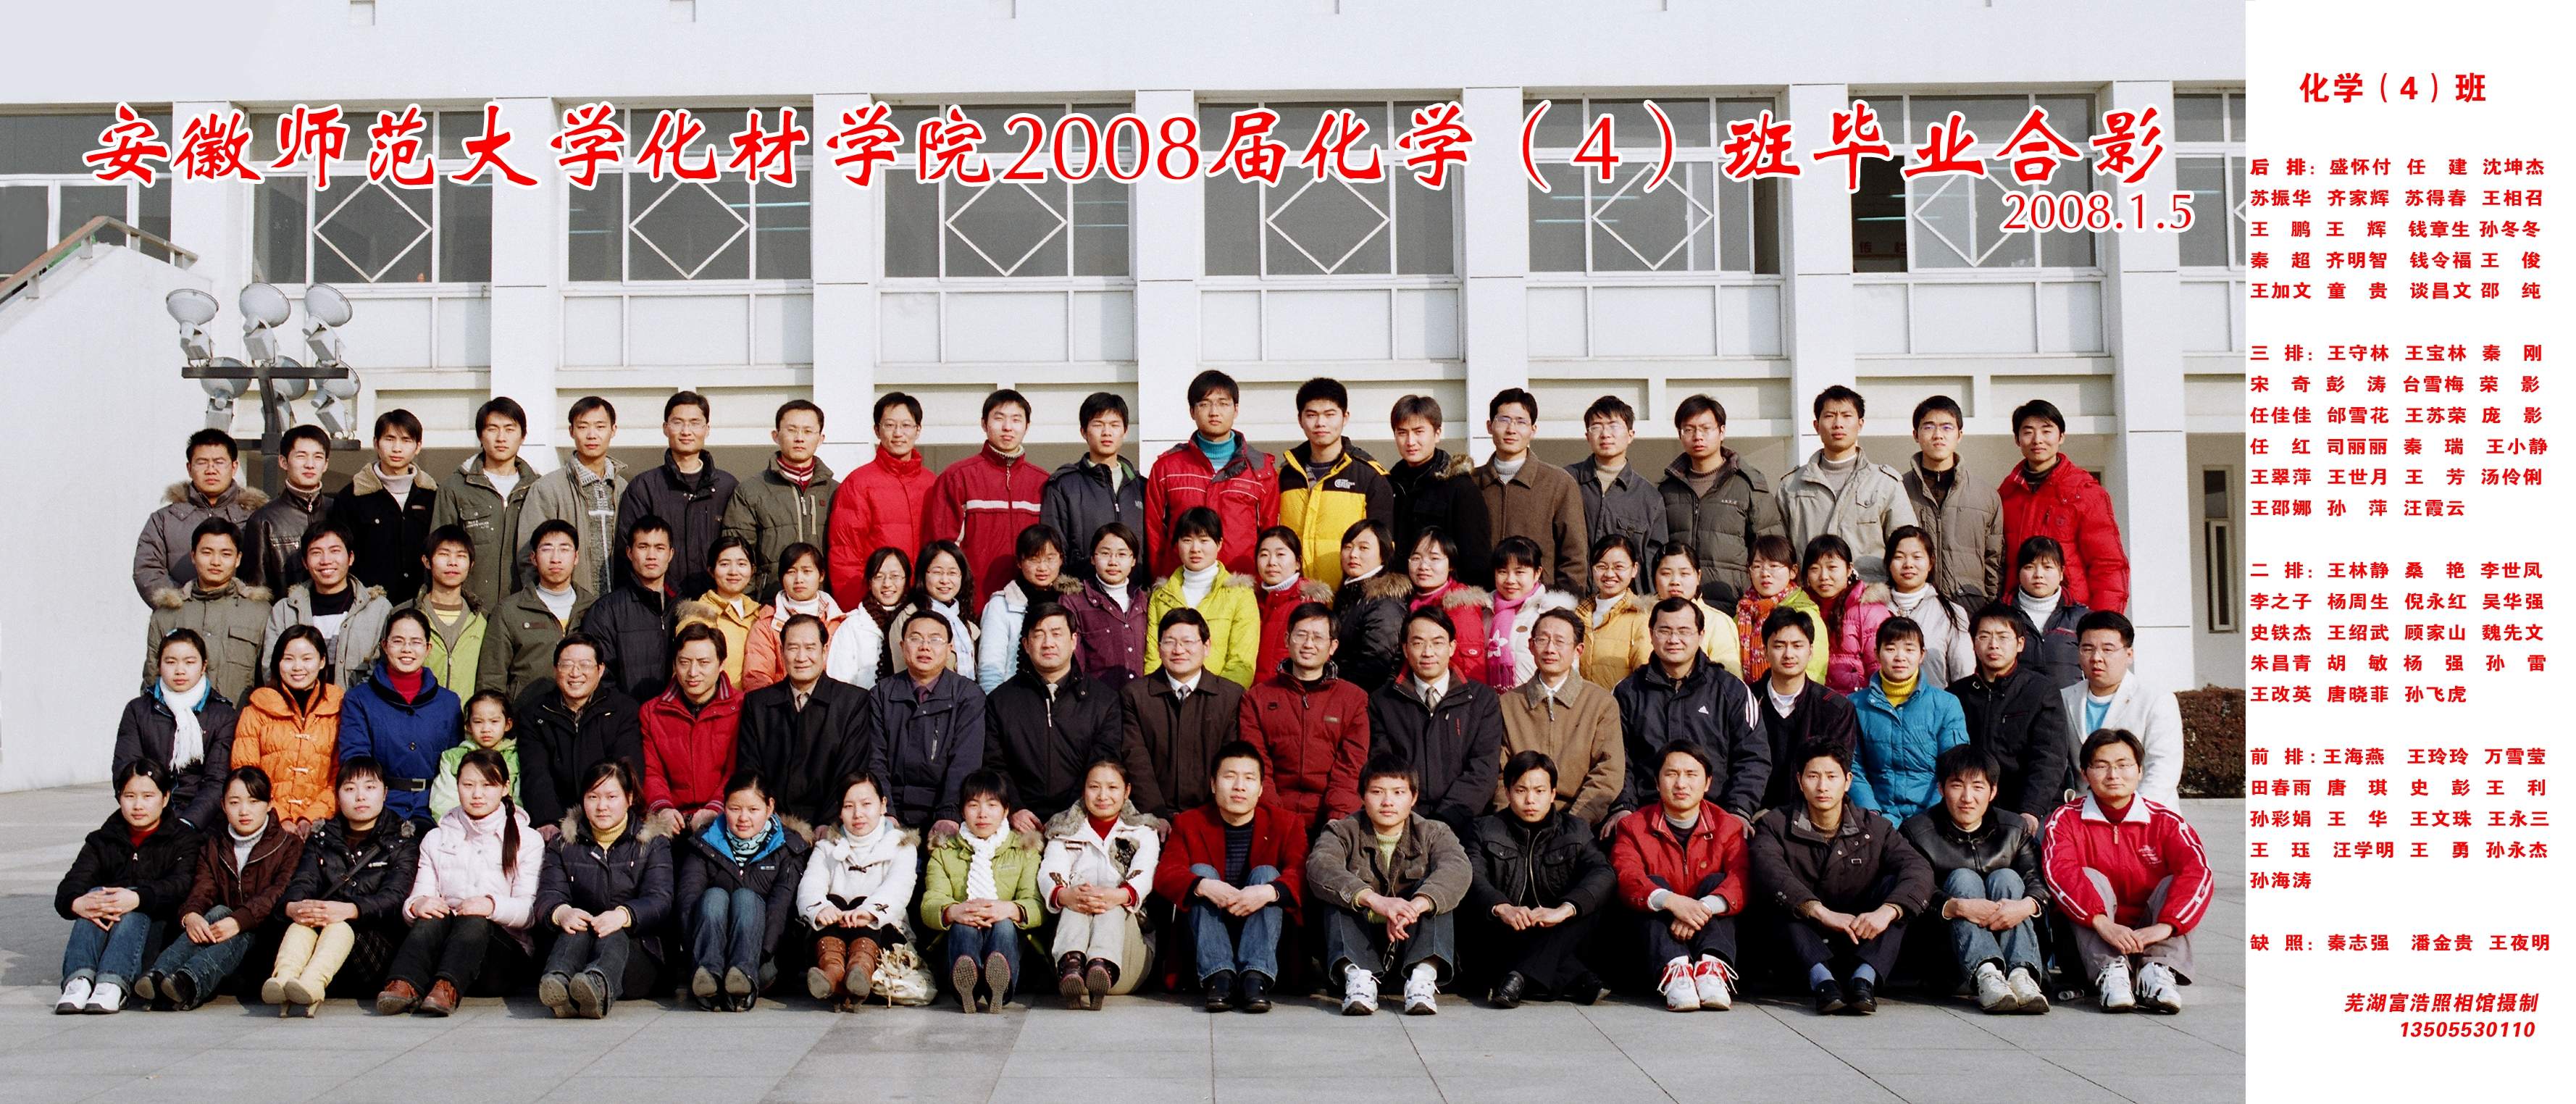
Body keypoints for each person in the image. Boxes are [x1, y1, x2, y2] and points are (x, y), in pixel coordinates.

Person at [1749, 741, 1933, 1016]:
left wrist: (1886, 912)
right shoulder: (1775, 824)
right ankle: (1823, 982)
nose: (1822, 786)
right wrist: (1820, 912)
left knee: (1899, 897)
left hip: (1860, 940)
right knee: (1781, 897)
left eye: (1831, 776)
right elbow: (1769, 870)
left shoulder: (1876, 828)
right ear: (1800, 781)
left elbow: (1919, 869)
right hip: (1801, 948)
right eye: (1813, 776)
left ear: (1847, 781)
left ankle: (1864, 980)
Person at [2044, 728, 2213, 1013]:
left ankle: (2157, 973)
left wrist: (2164, 927)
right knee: (2088, 876)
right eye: (2101, 766)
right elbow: (2060, 875)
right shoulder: (2065, 820)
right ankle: (2111, 974)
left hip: (2152, 938)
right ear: (2085, 773)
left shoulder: (2166, 822)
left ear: (2139, 771)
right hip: (2090, 946)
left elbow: (2199, 874)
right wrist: (2102, 924)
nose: (2113, 775)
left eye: (2123, 765)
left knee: (2177, 882)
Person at [375, 748, 543, 1016]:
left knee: (475, 918)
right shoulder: (436, 838)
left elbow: (531, 912)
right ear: (457, 786)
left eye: (488, 785)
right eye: (468, 785)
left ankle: (447, 987)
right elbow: (418, 896)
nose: (477, 794)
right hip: (443, 948)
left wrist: (491, 906)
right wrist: (418, 905)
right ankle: (404, 984)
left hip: (499, 959)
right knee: (432, 915)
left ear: (505, 788)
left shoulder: (528, 840)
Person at [1308, 756, 1469, 1016]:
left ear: (1414, 797)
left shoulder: (1434, 832)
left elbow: (1458, 869)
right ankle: (1358, 980)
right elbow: (1320, 867)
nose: (1387, 801)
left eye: (1398, 792)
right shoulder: (1341, 831)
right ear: (1362, 795)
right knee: (1341, 894)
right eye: (1377, 792)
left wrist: (1415, 907)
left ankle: (1422, 979)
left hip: (1412, 945)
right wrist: (1375, 901)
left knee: (1436, 894)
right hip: (1359, 948)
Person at [262, 757, 422, 1016]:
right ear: (337, 796)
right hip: (323, 938)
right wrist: (294, 907)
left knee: (339, 926)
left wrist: (349, 910)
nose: (360, 796)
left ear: (385, 793)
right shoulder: (322, 837)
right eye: (350, 789)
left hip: (373, 946)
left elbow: (394, 898)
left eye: (370, 787)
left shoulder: (403, 841)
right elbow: (304, 881)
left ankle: (311, 985)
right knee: (301, 923)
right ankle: (284, 981)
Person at [1155, 742, 1306, 1012]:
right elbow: (1166, 874)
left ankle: (1255, 977)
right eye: (1230, 777)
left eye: (1249, 778)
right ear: (1214, 784)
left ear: (1261, 788)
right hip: (1207, 933)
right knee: (1200, 873)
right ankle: (1219, 976)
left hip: (1264, 933)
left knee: (1267, 875)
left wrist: (1268, 892)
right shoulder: (1189, 823)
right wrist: (1203, 886)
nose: (1239, 786)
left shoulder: (1287, 823)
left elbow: (1301, 873)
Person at [1900, 745, 2052, 1014]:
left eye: (1978, 787)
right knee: (1963, 878)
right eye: (1957, 786)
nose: (1967, 798)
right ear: (1941, 789)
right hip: (1948, 954)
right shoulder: (1918, 832)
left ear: (1993, 791)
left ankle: (2020, 975)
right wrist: (1955, 907)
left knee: (2007, 876)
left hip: (2010, 932)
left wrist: (2023, 907)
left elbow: (2037, 882)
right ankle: (1986, 974)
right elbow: (1913, 888)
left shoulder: (2014, 829)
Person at [138, 766, 303, 1011]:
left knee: (242, 930)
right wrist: (191, 915)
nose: (244, 811)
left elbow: (277, 893)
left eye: (254, 802)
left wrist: (238, 922)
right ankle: (159, 975)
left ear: (269, 804)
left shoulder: (289, 845)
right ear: (223, 806)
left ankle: (187, 982)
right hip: (221, 938)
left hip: (265, 942)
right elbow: (202, 888)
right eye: (234, 802)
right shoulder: (214, 844)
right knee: (217, 912)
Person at [1468, 750, 1617, 1007]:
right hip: (1507, 928)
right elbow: (1473, 875)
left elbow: (1603, 873)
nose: (1530, 800)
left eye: (1539, 791)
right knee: (1483, 918)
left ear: (1553, 794)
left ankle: (1518, 976)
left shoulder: (1575, 829)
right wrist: (1502, 907)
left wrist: (1564, 910)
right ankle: (1577, 979)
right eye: (1521, 790)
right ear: (1508, 792)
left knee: (1590, 905)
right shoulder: (1484, 829)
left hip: (1558, 926)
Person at [1609, 742, 1750, 1012]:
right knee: (1654, 886)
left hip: (1709, 929)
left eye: (1691, 774)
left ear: (1707, 783)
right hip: (1655, 938)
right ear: (1657, 782)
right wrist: (1672, 901)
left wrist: (1700, 909)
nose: (1681, 783)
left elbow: (1741, 878)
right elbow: (1627, 876)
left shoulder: (1728, 826)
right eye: (1671, 774)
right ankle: (1676, 972)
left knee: (1717, 883)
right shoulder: (1633, 827)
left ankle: (1712, 969)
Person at [54, 762, 202, 1014]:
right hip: (105, 934)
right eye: (130, 796)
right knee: (93, 896)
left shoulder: (183, 839)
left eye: (148, 796)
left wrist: (137, 898)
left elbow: (181, 885)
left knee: (134, 904)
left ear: (165, 798)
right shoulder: (102, 840)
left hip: (154, 937)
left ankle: (113, 983)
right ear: (119, 798)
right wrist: (77, 903)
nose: (138, 805)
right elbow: (71, 884)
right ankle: (78, 981)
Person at [1608, 598, 1767, 832]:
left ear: (1701, 635)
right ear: (1651, 634)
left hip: (1717, 817)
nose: (1674, 640)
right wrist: (1624, 807)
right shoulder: (1627, 692)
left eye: (1684, 631)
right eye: (1665, 631)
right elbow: (1614, 758)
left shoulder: (1731, 690)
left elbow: (1753, 757)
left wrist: (1738, 811)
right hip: (1645, 818)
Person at [533, 760, 674, 1019]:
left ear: (629, 798)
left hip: (636, 953)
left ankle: (596, 986)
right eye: (593, 797)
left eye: (611, 797)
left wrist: (623, 915)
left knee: (613, 930)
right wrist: (562, 912)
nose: (602, 806)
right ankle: (558, 983)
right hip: (580, 948)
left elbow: (660, 899)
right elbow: (548, 894)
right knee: (575, 928)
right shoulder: (563, 843)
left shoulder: (653, 842)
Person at [675, 769, 811, 1011]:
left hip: (763, 958)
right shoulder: (704, 843)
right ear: (724, 807)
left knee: (746, 898)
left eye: (753, 810)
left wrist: (759, 957)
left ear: (770, 807)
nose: (743, 818)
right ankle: (709, 977)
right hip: (709, 953)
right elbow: (688, 902)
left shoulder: (788, 848)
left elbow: (780, 911)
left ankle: (742, 977)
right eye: (735, 809)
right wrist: (694, 955)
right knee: (714, 896)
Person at [1366, 609, 1505, 840]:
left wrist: (1446, 820)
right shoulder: (1383, 701)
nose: (1428, 652)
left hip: (1466, 823)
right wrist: (1413, 823)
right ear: (1405, 649)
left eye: (1437, 643)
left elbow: (1483, 770)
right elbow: (1384, 769)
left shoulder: (1482, 700)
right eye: (1418, 643)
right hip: (1403, 824)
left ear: (1452, 647)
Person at [1239, 601, 1371, 838]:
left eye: (1318, 637)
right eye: (1301, 635)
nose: (1309, 644)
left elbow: (1350, 768)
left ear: (1333, 646)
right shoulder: (1257, 698)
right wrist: (1275, 817)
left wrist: (1337, 822)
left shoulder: (1353, 699)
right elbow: (1256, 764)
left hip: (1332, 819)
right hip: (1272, 817)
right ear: (1287, 639)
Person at [1038, 760, 1161, 1010]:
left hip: (1125, 960)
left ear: (1127, 791)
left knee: (1111, 903)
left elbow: (1145, 872)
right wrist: (1067, 896)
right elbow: (1050, 869)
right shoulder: (1063, 831)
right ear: (1084, 789)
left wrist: (1116, 896)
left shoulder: (1143, 831)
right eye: (1094, 787)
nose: (1103, 796)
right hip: (1070, 948)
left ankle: (1101, 966)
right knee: (1077, 899)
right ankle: (1072, 965)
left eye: (1112, 788)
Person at [984, 605, 1124, 825]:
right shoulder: (1000, 701)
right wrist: (1015, 808)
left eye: (1057, 634)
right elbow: (994, 764)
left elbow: (1103, 764)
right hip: (1020, 822)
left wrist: (1074, 812)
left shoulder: (1104, 701)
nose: (1048, 643)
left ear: (1074, 640)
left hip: (1083, 819)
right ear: (1026, 645)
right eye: (1039, 635)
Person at [919, 769, 1042, 1013]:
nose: (982, 814)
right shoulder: (945, 851)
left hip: (1008, 938)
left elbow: (1037, 902)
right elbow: (930, 902)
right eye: (973, 805)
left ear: (1006, 810)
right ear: (962, 811)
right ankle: (968, 985)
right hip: (960, 937)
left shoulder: (1024, 849)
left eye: (992, 805)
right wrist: (954, 912)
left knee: (1004, 924)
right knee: (963, 925)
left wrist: (1009, 909)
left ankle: (1000, 985)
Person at [735, 614, 871, 826]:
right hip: (769, 822)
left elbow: (850, 771)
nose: (801, 657)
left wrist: (828, 824)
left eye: (810, 648)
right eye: (793, 648)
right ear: (781, 652)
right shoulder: (758, 704)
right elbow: (750, 770)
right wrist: (768, 821)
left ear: (824, 651)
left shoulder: (852, 702)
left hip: (831, 824)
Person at [797, 771, 916, 1010]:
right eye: (849, 806)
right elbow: (810, 884)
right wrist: (822, 909)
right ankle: (833, 972)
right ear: (840, 811)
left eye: (866, 804)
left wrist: (867, 912)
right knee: (833, 901)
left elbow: (898, 888)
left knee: (861, 901)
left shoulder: (901, 845)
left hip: (884, 934)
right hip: (833, 931)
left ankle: (859, 972)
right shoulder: (826, 846)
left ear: (883, 805)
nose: (858, 814)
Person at [921, 389, 1044, 618]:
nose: (1007, 427)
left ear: (1027, 426)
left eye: (1016, 420)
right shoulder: (958, 477)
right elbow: (942, 549)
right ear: (984, 424)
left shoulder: (1042, 483)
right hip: (972, 607)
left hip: (1032, 607)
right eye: (999, 418)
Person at [1145, 369, 1280, 578]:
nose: (1214, 412)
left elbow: (1271, 536)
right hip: (1181, 585)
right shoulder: (1166, 469)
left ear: (1236, 410)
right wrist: (1159, 583)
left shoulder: (1261, 471)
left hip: (1239, 586)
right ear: (1192, 411)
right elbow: (1153, 534)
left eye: (1223, 404)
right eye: (1204, 404)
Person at [1999, 398, 2129, 614]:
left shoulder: (2085, 492)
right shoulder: (2007, 494)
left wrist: (2103, 623)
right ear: (2017, 440)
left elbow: (2108, 565)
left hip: (2072, 615)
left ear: (2061, 436)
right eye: (2028, 432)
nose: (2037, 440)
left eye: (2046, 431)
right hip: (2018, 615)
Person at [1779, 386, 1918, 586]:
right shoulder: (1792, 486)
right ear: (1816, 425)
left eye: (1847, 416)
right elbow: (1779, 553)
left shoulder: (1885, 483)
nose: (1838, 424)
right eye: (1830, 416)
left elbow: (1908, 548)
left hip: (1869, 595)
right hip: (1811, 597)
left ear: (1860, 424)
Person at [1495, 609, 1623, 828]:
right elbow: (1498, 774)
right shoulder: (1508, 704)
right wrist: (1511, 820)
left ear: (1578, 650)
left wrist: (1574, 824)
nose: (1550, 649)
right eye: (1542, 640)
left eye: (1560, 641)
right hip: (1517, 820)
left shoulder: (1600, 703)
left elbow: (1608, 772)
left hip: (1580, 822)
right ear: (1531, 645)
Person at [1951, 603, 2073, 829]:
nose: (1993, 645)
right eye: (1984, 636)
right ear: (1974, 643)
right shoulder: (1957, 694)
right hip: (1971, 807)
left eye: (2003, 637)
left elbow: (2049, 758)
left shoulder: (2040, 690)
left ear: (2020, 644)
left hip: (2028, 808)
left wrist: (2031, 810)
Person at [866, 611, 989, 832]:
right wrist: (886, 812)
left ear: (950, 647)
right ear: (902, 646)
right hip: (891, 809)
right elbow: (876, 760)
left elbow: (965, 763)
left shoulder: (968, 695)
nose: (925, 647)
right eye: (916, 639)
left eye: (935, 639)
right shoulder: (881, 694)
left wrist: (948, 814)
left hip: (946, 811)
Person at [1657, 394, 1785, 606]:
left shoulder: (1748, 485)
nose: (1698, 436)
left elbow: (1773, 551)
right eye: (1689, 430)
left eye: (1706, 429)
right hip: (1678, 605)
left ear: (1722, 431)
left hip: (1735, 606)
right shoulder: (1667, 489)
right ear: (1680, 435)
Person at [338, 611, 464, 827]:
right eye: (398, 641)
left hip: (435, 808)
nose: (407, 649)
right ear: (385, 646)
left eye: (416, 642)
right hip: (380, 810)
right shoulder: (359, 699)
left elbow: (455, 763)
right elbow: (355, 759)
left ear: (428, 648)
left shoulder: (448, 703)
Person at [1121, 609, 1247, 821]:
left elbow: (1231, 763)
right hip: (1151, 817)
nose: (1179, 650)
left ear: (1206, 647)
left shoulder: (1231, 696)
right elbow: (1136, 761)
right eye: (1169, 642)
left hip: (1213, 817)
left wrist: (1210, 817)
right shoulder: (1135, 695)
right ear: (1159, 648)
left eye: (1188, 642)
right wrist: (1156, 816)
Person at [516, 633, 646, 828]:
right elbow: (536, 773)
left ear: (600, 670)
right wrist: (549, 820)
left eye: (585, 665)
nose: (575, 673)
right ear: (555, 669)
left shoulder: (623, 709)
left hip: (610, 816)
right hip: (559, 820)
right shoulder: (534, 714)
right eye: (567, 665)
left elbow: (628, 769)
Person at [115, 629, 239, 832]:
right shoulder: (138, 710)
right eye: (171, 662)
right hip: (146, 816)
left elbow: (217, 781)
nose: (180, 670)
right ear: (159, 665)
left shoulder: (222, 715)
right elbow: (126, 771)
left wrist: (188, 823)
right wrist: (151, 818)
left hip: (202, 823)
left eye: (189, 662)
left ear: (203, 666)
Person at [616, 390, 738, 596]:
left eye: (695, 423)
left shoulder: (727, 487)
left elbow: (739, 551)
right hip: (658, 602)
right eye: (678, 422)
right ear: (665, 428)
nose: (686, 431)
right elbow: (626, 554)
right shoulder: (644, 487)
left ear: (707, 429)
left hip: (716, 603)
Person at [1850, 616, 1970, 821]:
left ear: (1922, 655)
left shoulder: (1946, 704)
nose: (1900, 657)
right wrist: (1872, 813)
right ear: (1877, 653)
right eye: (1890, 649)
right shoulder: (1856, 705)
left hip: (1935, 816)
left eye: (1909, 649)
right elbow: (1853, 767)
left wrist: (1931, 817)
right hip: (1878, 816)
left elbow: (1955, 766)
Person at [1276, 377, 1392, 590]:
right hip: (1295, 599)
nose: (1321, 423)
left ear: (1345, 417)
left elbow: (1385, 549)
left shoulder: (1370, 477)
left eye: (1330, 415)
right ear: (1300, 419)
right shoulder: (1284, 476)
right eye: (1312, 415)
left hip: (1349, 599)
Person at [2060, 610, 2184, 806]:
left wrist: (2133, 813)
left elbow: (2163, 767)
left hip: (2146, 811)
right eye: (2088, 649)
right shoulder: (2064, 698)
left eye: (2108, 649)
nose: (2096, 657)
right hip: (2085, 812)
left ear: (2129, 654)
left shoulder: (2156, 700)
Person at [430, 396, 540, 615]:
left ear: (523, 436)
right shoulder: (455, 488)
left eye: (509, 429)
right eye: (492, 429)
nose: (501, 438)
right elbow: (437, 552)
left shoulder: (538, 488)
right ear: (480, 435)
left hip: (525, 610)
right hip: (470, 611)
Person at [1469, 388, 1588, 591]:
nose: (1511, 429)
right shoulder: (1470, 482)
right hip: (1481, 601)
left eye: (1521, 422)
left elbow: (1574, 556)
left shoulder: (1558, 483)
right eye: (1504, 420)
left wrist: (1560, 603)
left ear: (1533, 430)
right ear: (1490, 426)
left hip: (1540, 603)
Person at [1749, 608, 1865, 814]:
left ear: (1810, 651)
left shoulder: (1835, 708)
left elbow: (1832, 774)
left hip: (1810, 815)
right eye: (1779, 646)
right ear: (1765, 651)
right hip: (1752, 813)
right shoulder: (1744, 700)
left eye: (1797, 646)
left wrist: (1782, 818)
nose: (1789, 654)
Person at [145, 519, 273, 705]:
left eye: (226, 554)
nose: (216, 562)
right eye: (207, 553)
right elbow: (152, 679)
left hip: (239, 720)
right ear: (193, 556)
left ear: (238, 559)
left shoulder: (259, 612)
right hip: (177, 720)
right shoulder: (167, 613)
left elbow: (269, 682)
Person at [135, 427, 269, 606]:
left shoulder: (257, 517)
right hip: (181, 616)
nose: (211, 470)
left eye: (219, 462)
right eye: (202, 462)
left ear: (234, 467)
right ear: (189, 468)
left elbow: (268, 572)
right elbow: (147, 570)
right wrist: (185, 604)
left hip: (241, 617)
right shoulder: (164, 520)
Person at [827, 392, 938, 606]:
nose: (898, 433)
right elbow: (845, 553)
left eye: (906, 425)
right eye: (889, 425)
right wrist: (860, 608)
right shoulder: (858, 483)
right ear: (877, 430)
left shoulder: (932, 483)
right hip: (877, 602)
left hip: (924, 602)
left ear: (918, 430)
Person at [722, 398, 837, 600]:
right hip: (770, 603)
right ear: (776, 436)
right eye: (792, 430)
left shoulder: (837, 491)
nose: (799, 438)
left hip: (826, 603)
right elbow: (738, 554)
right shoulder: (750, 491)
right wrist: (750, 605)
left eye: (808, 431)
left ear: (821, 438)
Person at [230, 627, 344, 832]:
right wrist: (280, 817)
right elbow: (245, 773)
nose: (298, 667)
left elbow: (341, 776)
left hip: (323, 826)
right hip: (265, 824)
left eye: (307, 659)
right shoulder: (256, 711)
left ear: (322, 661)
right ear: (277, 663)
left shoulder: (339, 709)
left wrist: (311, 817)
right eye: (289, 659)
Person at [519, 394, 630, 598]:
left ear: (613, 430)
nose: (592, 435)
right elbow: (529, 557)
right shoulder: (547, 488)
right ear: (571, 431)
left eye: (600, 426)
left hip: (618, 607)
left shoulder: (625, 489)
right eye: (583, 427)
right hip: (567, 606)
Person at [325, 409, 438, 606]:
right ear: (376, 443)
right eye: (389, 439)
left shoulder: (433, 495)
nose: (397, 448)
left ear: (418, 447)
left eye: (406, 440)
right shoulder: (351, 497)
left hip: (423, 604)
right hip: (367, 605)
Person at [261, 523, 393, 690]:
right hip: (297, 705)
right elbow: (271, 667)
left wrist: (352, 702)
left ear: (351, 558)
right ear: (305, 562)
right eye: (316, 553)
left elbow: (384, 668)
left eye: (335, 551)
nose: (326, 561)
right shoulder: (285, 610)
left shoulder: (378, 609)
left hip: (357, 705)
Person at [1901, 396, 2004, 608]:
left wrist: (1990, 607)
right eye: (1929, 427)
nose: (1938, 435)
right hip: (1913, 607)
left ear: (1959, 435)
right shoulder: (1898, 490)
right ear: (1916, 435)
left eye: (1947, 427)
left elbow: (1994, 560)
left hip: (1970, 609)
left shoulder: (1986, 496)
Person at [641, 623, 745, 835]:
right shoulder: (652, 712)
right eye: (684, 663)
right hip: (672, 820)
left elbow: (738, 769)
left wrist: (716, 807)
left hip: (727, 817)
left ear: (721, 663)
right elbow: (652, 771)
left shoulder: (743, 707)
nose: (693, 672)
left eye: (703, 663)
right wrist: (663, 808)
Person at [1141, 507, 1260, 686]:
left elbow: (1242, 662)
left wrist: (1218, 698)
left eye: (1204, 540)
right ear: (1177, 544)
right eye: (1187, 540)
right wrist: (1156, 695)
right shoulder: (1161, 596)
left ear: (1219, 544)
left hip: (1220, 697)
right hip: (1166, 696)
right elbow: (1153, 657)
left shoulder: (1240, 594)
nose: (1195, 549)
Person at [478, 520, 590, 703]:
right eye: (547, 549)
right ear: (533, 558)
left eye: (564, 549)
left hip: (582, 713)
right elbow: (492, 677)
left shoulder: (593, 607)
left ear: (576, 557)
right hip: (525, 714)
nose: (556, 558)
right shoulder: (509, 611)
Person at [1041, 390, 1147, 583]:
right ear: (1084, 431)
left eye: (1114, 425)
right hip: (1082, 592)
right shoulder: (1064, 485)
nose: (1107, 432)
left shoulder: (1141, 487)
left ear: (1125, 431)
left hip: (1133, 593)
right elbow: (1054, 547)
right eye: (1098, 425)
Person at [1568, 395, 1668, 590]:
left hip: (1626, 603)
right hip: (1573, 598)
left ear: (1630, 435)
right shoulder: (1567, 481)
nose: (1605, 434)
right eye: (1597, 427)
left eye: (1614, 426)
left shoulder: (1649, 498)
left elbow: (1653, 563)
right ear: (1587, 436)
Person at [1383, 394, 1489, 571]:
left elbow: (1476, 559)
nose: (1410, 441)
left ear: (1437, 433)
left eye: (1419, 432)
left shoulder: (1459, 487)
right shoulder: (1389, 485)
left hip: (1444, 586)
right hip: (1396, 585)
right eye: (1402, 433)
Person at [586, 514, 682, 701]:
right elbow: (600, 676)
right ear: (630, 553)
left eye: (659, 548)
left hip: (676, 715)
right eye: (643, 547)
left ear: (671, 554)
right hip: (628, 716)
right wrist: (626, 714)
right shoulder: (606, 611)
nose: (651, 556)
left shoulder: (684, 607)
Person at [977, 524, 1077, 691]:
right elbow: (990, 670)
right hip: (1016, 696)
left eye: (1050, 559)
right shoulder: (1001, 605)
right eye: (1033, 559)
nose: (1042, 567)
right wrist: (997, 703)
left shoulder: (1072, 602)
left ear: (1061, 559)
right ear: (1019, 562)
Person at [242, 424, 335, 592]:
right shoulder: (263, 520)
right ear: (283, 462)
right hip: (285, 608)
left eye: (318, 457)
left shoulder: (339, 510)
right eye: (301, 456)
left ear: (326, 464)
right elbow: (257, 589)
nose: (310, 465)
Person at [744, 543, 847, 694]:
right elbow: (757, 677)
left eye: (807, 571)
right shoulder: (767, 624)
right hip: (781, 704)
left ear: (821, 575)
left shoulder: (840, 622)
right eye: (791, 572)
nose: (799, 579)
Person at [1882, 527, 1975, 687]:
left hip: (1935, 702)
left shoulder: (1951, 613)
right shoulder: (1872, 610)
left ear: (1931, 563)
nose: (1908, 564)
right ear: (1888, 563)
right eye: (1899, 557)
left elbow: (1964, 673)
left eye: (1917, 557)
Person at [1061, 524, 1149, 690]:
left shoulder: (1145, 600)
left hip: (1141, 699)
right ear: (1093, 558)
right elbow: (1072, 662)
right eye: (1105, 553)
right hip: (1097, 700)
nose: (1113, 562)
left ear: (1133, 560)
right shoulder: (1075, 602)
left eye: (1122, 554)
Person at [1483, 535, 1579, 687]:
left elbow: (1570, 668)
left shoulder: (1552, 614)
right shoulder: (1485, 612)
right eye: (1502, 572)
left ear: (1537, 573)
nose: (1510, 580)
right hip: (1492, 700)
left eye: (1519, 572)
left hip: (1539, 699)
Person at [405, 524, 490, 695]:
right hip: (417, 711)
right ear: (427, 561)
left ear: (471, 564)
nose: (453, 562)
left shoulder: (483, 619)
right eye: (444, 554)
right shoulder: (406, 614)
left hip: (467, 712)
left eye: (461, 556)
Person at [1734, 534, 1829, 685]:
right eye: (1757, 566)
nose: (1765, 573)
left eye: (1774, 566)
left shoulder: (1804, 613)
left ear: (1793, 571)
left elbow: (1815, 670)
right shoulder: (1742, 614)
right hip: (1746, 696)